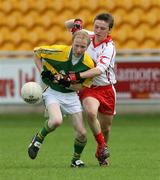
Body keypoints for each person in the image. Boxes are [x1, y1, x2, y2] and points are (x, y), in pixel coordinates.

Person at [27, 30, 95, 168]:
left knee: (82, 133)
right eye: (76, 45)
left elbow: (81, 87)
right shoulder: (59, 52)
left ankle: (75, 160)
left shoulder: (88, 64)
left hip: (71, 96)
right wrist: (42, 73)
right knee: (57, 120)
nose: (78, 49)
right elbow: (36, 53)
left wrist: (68, 84)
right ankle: (38, 139)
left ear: (87, 47)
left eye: (82, 47)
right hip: (52, 92)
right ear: (72, 42)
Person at [64, 13, 116, 166]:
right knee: (91, 112)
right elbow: (67, 25)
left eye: (102, 28)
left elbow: (99, 70)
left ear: (109, 30)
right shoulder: (86, 36)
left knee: (106, 128)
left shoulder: (109, 48)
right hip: (89, 86)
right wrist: (77, 22)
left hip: (106, 88)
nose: (98, 30)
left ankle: (101, 152)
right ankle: (102, 146)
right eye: (96, 27)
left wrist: (76, 75)